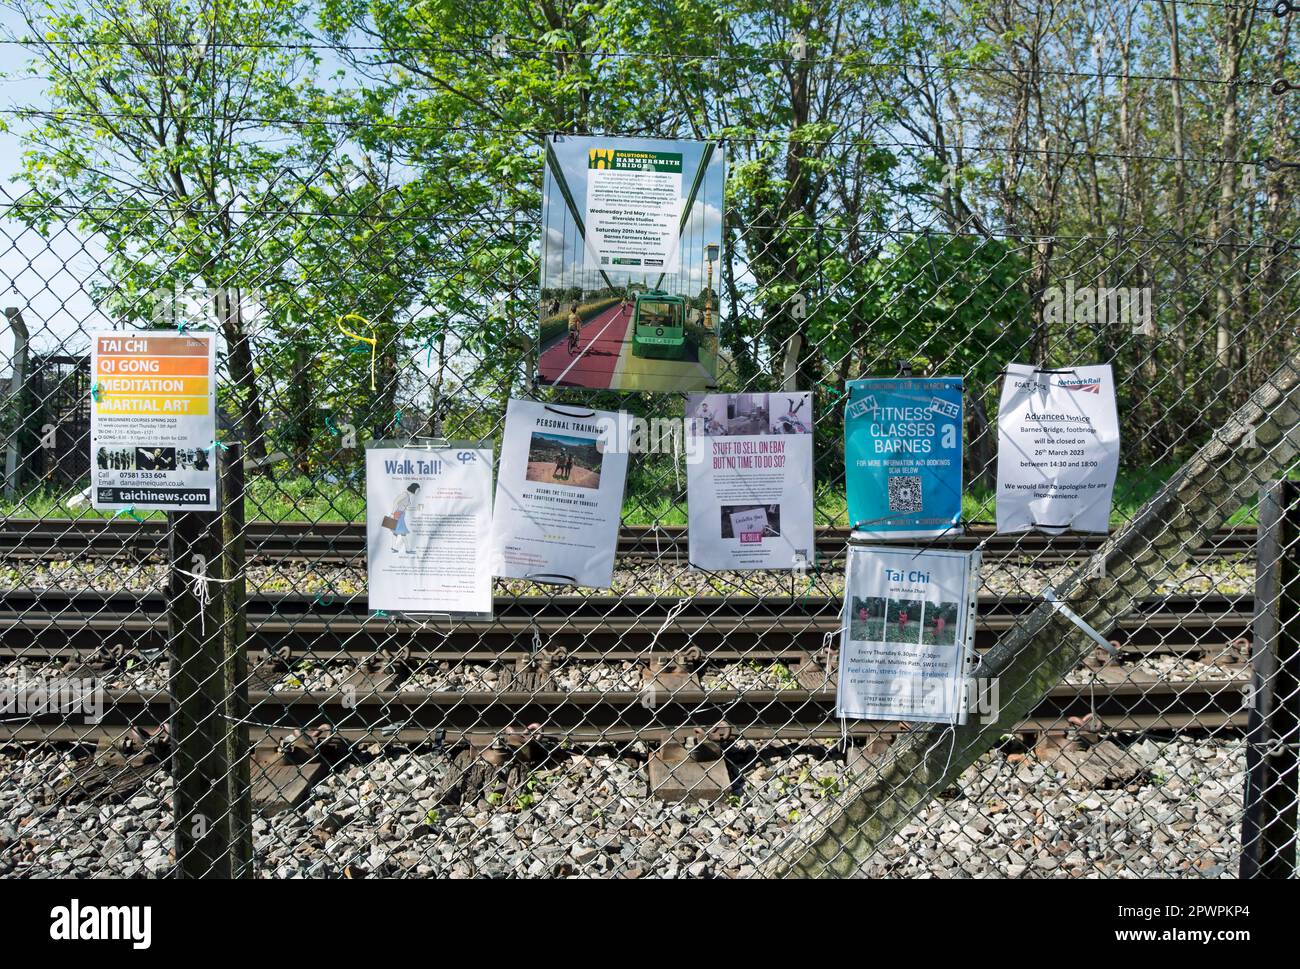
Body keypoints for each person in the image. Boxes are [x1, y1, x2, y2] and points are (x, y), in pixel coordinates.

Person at [387, 483, 420, 553]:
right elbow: (395, 501)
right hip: (398, 514)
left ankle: (394, 547)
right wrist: (392, 513)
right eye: (418, 490)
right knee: (403, 532)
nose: (418, 492)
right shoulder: (405, 494)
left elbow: (406, 507)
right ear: (414, 489)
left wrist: (416, 508)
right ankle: (407, 550)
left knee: (396, 532)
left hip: (400, 515)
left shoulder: (408, 496)